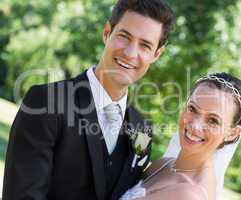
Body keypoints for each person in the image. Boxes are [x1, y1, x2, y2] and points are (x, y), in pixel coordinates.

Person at [2, 0, 174, 200]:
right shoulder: (45, 103)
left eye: (145, 45)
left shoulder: (142, 129)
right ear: (106, 33)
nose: (130, 53)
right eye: (124, 37)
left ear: (156, 54)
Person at [120, 72, 241, 200]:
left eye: (213, 120)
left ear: (232, 133)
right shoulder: (162, 165)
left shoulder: (190, 195)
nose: (195, 126)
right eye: (192, 109)